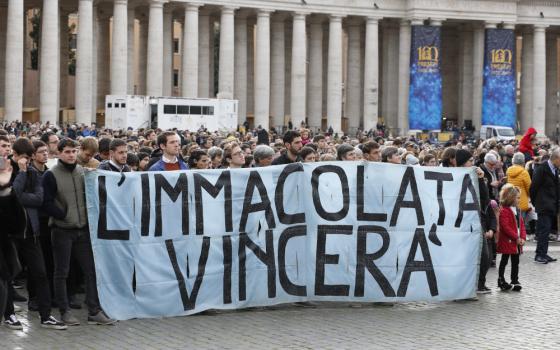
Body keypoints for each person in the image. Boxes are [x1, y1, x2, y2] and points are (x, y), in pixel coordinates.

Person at [42, 138, 116, 326]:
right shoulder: (51, 175)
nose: (71, 155)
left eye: (73, 151)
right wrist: (63, 215)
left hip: (82, 230)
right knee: (62, 272)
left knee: (90, 271)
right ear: (59, 153)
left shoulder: (82, 172)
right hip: (62, 230)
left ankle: (94, 311)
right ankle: (64, 311)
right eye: (67, 152)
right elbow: (46, 202)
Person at [6, 138, 66, 329]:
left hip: (30, 232)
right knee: (8, 275)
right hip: (10, 232)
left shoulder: (34, 173)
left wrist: (22, 192)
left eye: (28, 158)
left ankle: (46, 315)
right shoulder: (6, 171)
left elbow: (39, 199)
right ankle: (9, 314)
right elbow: (13, 193)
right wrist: (22, 175)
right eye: (22, 157)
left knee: (40, 273)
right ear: (14, 156)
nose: (26, 161)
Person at [456, 149, 496, 294]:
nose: (473, 164)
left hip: (478, 222)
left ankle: (480, 283)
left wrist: (480, 180)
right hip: (463, 224)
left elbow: (485, 199)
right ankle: (469, 286)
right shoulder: (456, 178)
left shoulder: (476, 177)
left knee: (485, 256)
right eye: (470, 161)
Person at [530, 146, 560, 264]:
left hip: (551, 205)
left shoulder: (555, 169)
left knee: (546, 231)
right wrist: (536, 202)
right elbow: (533, 188)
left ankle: (543, 252)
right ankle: (539, 255)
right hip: (543, 205)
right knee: (544, 230)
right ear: (556, 158)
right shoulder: (542, 168)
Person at [497, 184, 526, 292]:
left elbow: (521, 225)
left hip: (516, 241)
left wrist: (522, 237)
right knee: (504, 260)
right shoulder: (504, 210)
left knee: (515, 261)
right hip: (508, 241)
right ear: (510, 198)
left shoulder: (517, 211)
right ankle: (501, 279)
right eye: (517, 197)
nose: (519, 200)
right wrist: (516, 237)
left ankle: (515, 280)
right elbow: (505, 227)